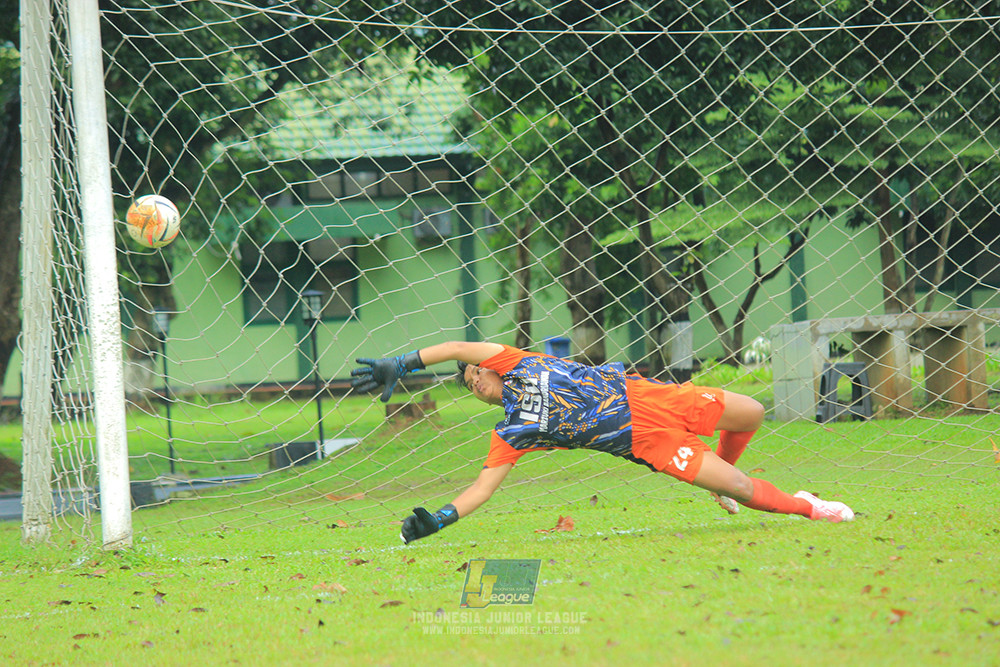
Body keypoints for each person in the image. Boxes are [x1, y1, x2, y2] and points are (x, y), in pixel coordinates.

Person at [351, 341, 854, 544]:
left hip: (651, 395)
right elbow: (482, 489)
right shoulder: (512, 430)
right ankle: (812, 508)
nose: (474, 381)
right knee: (743, 486)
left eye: (475, 373)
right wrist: (439, 519)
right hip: (646, 440)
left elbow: (457, 347)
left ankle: (718, 485)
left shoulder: (517, 361)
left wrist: (404, 362)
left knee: (753, 413)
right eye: (467, 384)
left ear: (489, 366)